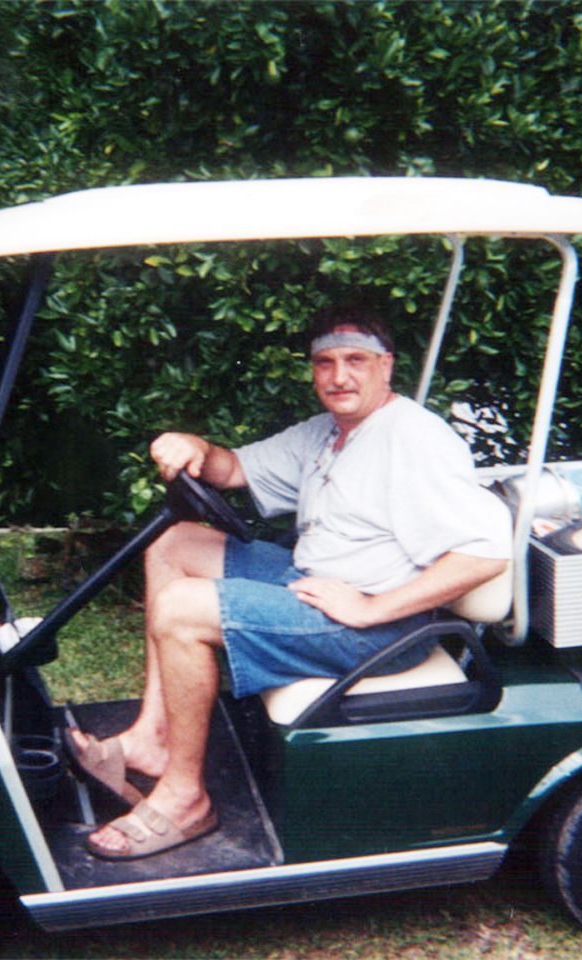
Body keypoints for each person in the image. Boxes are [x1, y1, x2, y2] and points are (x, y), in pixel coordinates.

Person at [67, 304, 511, 860]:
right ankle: (152, 738)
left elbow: (484, 554)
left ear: (386, 367)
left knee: (182, 609)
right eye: (325, 363)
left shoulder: (414, 439)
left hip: (378, 629)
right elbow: (231, 470)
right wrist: (194, 447)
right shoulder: (329, 433)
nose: (339, 376)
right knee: (175, 544)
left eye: (355, 360)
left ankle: (185, 799)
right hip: (315, 585)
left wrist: (373, 609)